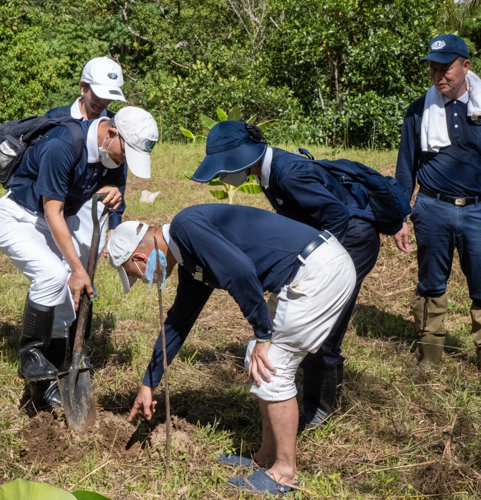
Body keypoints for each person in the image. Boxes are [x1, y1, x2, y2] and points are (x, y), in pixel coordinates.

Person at [107, 204, 355, 495]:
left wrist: (264, 333)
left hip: (319, 271)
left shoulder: (186, 227)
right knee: (257, 357)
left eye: (136, 274)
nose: (144, 280)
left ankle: (285, 473)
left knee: (274, 367)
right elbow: (178, 323)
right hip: (308, 270)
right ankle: (265, 455)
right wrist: (149, 382)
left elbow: (241, 272)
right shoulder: (189, 259)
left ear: (140, 257)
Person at [191, 120, 408, 431]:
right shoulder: (269, 173)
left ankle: (318, 409)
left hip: (352, 242)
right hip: (334, 241)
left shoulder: (287, 173)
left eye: (225, 168)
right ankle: (321, 399)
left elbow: (337, 216)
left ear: (243, 157)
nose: (224, 176)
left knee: (324, 325)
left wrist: (319, 267)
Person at [0, 106, 158, 407]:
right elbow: (52, 212)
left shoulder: (112, 155)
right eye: (125, 154)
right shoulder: (63, 145)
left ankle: (46, 384)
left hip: (51, 222)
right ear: (111, 134)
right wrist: (77, 269)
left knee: (67, 304)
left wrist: (113, 197)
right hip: (18, 218)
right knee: (54, 276)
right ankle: (29, 356)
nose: (123, 162)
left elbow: (107, 195)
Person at [395, 34, 481, 368]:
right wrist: (401, 216)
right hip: (432, 209)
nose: (438, 75)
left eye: (446, 68)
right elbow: (405, 169)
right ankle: (430, 356)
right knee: (431, 283)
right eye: (433, 68)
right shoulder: (418, 112)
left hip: (477, 210)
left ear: (466, 66)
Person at [45, 57, 128, 266]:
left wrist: (114, 224)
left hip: (91, 207)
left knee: (83, 267)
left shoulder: (116, 125)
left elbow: (118, 178)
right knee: (53, 264)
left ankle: (83, 298)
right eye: (99, 95)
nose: (104, 103)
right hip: (54, 201)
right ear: (83, 86)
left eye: (110, 97)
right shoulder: (57, 118)